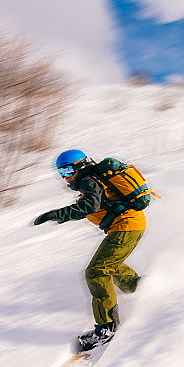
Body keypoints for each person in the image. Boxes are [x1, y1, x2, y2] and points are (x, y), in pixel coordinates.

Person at [33, 149, 146, 350]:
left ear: (80, 166)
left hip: (126, 225)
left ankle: (106, 328)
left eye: (68, 171)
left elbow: (89, 206)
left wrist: (58, 214)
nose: (65, 177)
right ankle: (140, 287)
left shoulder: (89, 180)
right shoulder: (93, 179)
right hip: (129, 224)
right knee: (109, 264)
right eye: (61, 173)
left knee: (96, 271)